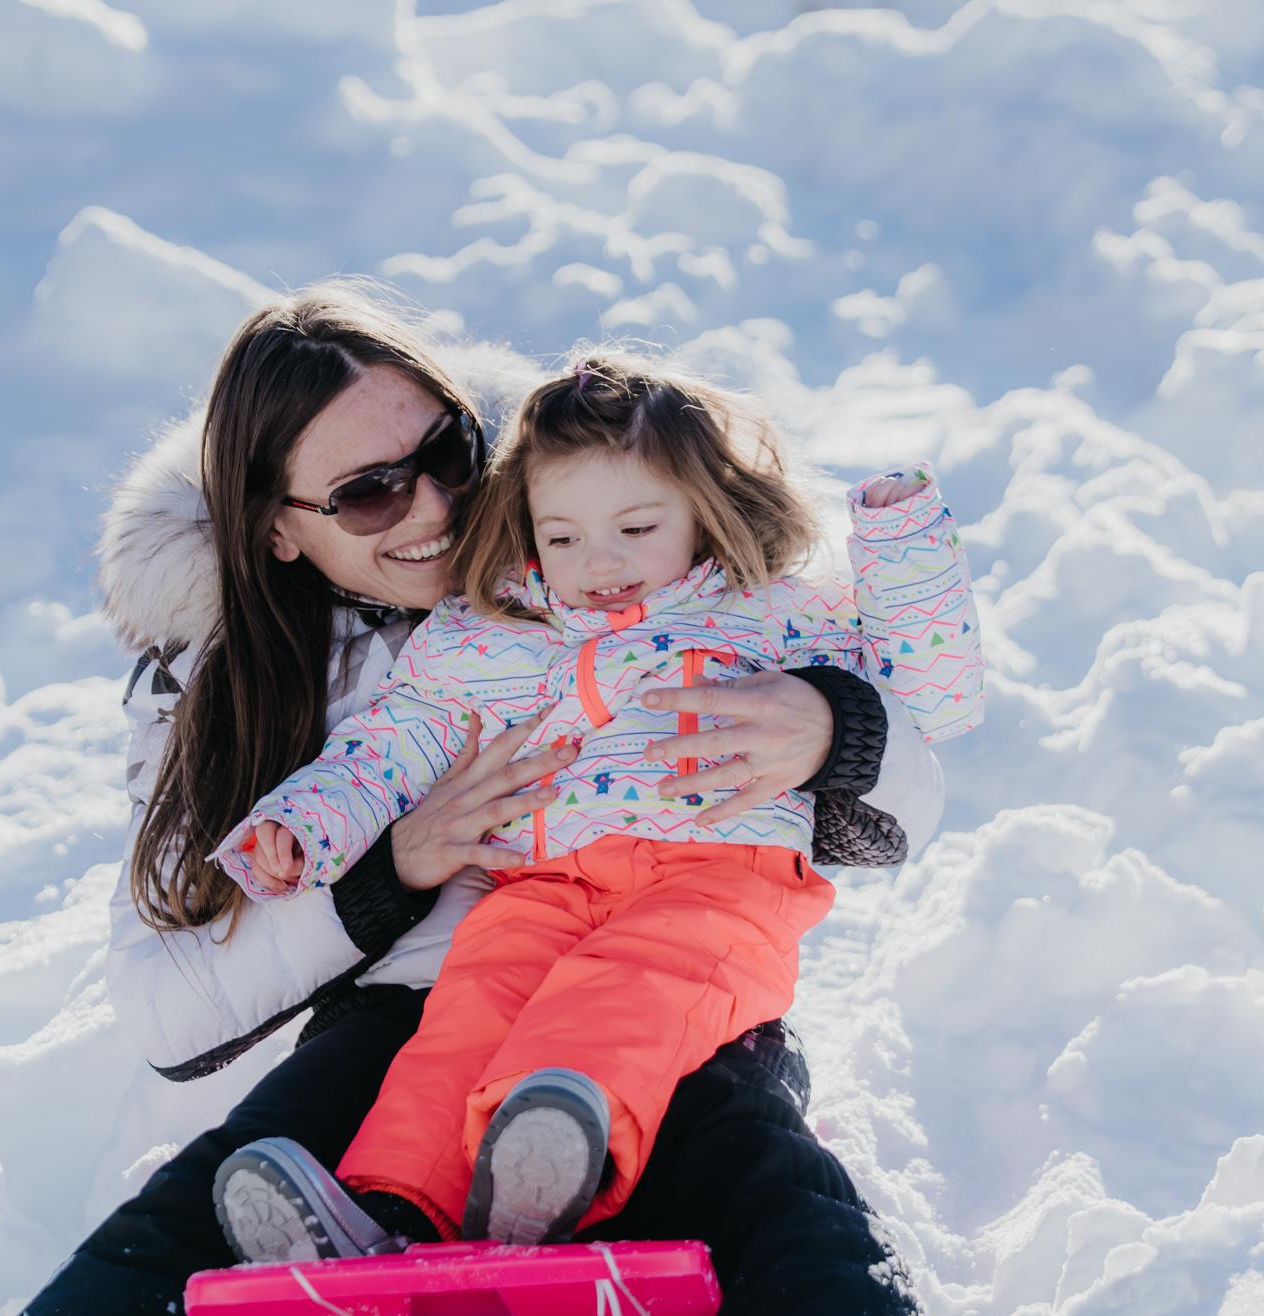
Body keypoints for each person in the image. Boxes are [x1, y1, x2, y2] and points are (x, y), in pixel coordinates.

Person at [0, 285, 1012, 1316]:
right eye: (366, 495)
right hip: (416, 1005)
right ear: (280, 531)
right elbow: (166, 1003)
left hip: (668, 955)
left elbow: (907, 766)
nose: (428, 511)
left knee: (759, 1166)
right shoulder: (218, 683)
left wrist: (828, 728)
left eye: (446, 460)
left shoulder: (591, 527)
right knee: (180, 1228)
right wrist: (385, 877)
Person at [208, 351, 982, 1261]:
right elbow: (398, 736)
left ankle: (550, 1159)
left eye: (636, 526)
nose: (598, 562)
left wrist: (905, 548)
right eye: (563, 537)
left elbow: (930, 698)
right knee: (467, 1014)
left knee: (625, 993)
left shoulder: (770, 609)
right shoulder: (497, 626)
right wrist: (305, 822)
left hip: (720, 877)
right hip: (543, 884)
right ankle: (390, 1208)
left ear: (702, 508)